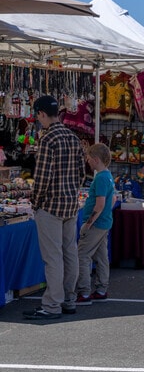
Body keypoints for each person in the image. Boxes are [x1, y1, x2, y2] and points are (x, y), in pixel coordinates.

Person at [25, 95, 85, 320]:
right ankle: (69, 299)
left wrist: (36, 202)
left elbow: (42, 178)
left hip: (50, 205)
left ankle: (52, 304)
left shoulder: (48, 139)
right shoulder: (72, 137)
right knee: (70, 254)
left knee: (53, 257)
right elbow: (81, 172)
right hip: (70, 204)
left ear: (41, 114)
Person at [74, 143, 115, 306]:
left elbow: (100, 204)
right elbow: (112, 200)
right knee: (101, 257)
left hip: (96, 224)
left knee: (82, 256)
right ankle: (101, 289)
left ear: (96, 159)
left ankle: (84, 293)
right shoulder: (107, 176)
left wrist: (88, 223)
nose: (87, 161)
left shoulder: (101, 178)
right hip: (104, 223)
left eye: (89, 158)